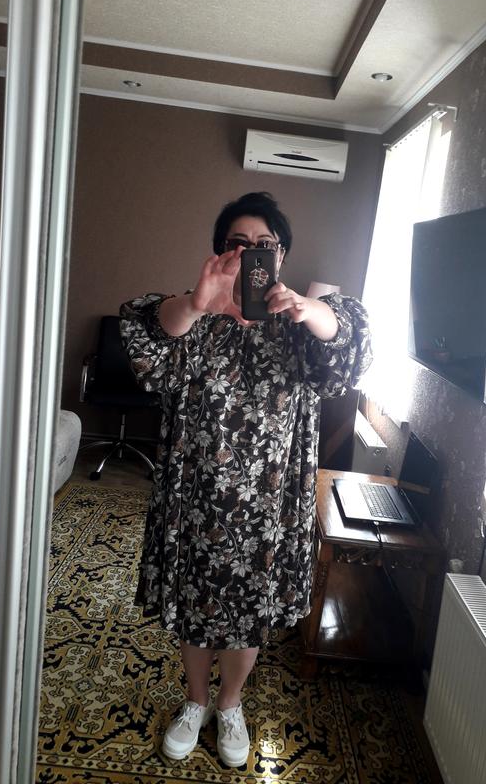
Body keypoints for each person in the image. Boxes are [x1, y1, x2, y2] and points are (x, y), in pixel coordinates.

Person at [120, 192, 372, 768]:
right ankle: (195, 700)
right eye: (237, 244)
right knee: (195, 604)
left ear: (280, 257)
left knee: (248, 611)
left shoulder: (302, 328)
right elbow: (145, 345)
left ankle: (230, 703)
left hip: (268, 507)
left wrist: (309, 309)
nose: (250, 253)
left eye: (264, 245)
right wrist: (196, 303)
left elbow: (351, 346)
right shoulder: (194, 318)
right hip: (194, 499)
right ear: (219, 254)